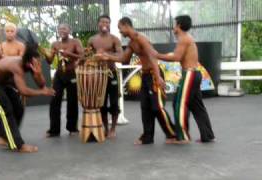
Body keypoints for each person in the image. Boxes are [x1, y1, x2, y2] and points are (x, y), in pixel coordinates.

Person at [95, 17, 176, 145]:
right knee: (145, 107)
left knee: (157, 107)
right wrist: (107, 56)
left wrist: (158, 76)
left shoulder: (140, 38)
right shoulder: (132, 43)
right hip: (145, 75)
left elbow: (152, 56)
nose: (120, 32)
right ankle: (147, 137)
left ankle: (173, 134)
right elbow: (124, 59)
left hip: (154, 74)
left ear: (126, 25)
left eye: (120, 28)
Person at [0, 44, 55, 153]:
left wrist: (39, 73)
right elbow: (24, 91)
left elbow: (42, 84)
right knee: (6, 109)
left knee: (19, 108)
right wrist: (41, 92)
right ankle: (18, 145)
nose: (39, 63)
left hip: (5, 83)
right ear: (29, 62)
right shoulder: (17, 66)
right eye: (37, 62)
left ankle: (4, 137)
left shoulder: (31, 65)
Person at [156, 15, 215, 144]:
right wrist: (162, 55)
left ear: (179, 26)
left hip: (190, 75)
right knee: (197, 106)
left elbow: (176, 57)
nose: (173, 27)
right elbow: (177, 55)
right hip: (194, 74)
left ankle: (183, 137)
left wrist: (156, 55)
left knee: (179, 104)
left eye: (174, 24)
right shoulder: (186, 38)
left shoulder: (183, 38)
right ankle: (208, 135)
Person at [0, 22, 26, 144]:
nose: (9, 33)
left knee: (17, 108)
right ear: (4, 32)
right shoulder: (0, 46)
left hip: (13, 81)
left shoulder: (20, 46)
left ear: (16, 32)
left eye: (11, 31)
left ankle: (11, 133)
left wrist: (6, 58)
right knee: (1, 108)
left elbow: (22, 62)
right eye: (7, 31)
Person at [44, 24, 84, 137]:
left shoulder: (75, 42)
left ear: (69, 30)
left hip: (71, 74)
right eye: (60, 29)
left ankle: (72, 128)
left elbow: (82, 56)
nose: (62, 31)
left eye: (64, 28)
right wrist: (46, 54)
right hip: (59, 74)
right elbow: (49, 61)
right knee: (54, 101)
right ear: (58, 31)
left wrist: (68, 54)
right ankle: (54, 130)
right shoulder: (55, 44)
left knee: (72, 101)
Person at [87, 15, 123, 138]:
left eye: (107, 22)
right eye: (102, 21)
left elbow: (120, 55)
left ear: (109, 24)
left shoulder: (114, 39)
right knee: (100, 102)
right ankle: (105, 128)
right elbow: (87, 55)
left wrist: (106, 54)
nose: (105, 24)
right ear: (98, 23)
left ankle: (113, 129)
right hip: (98, 75)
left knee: (114, 102)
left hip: (111, 73)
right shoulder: (92, 39)